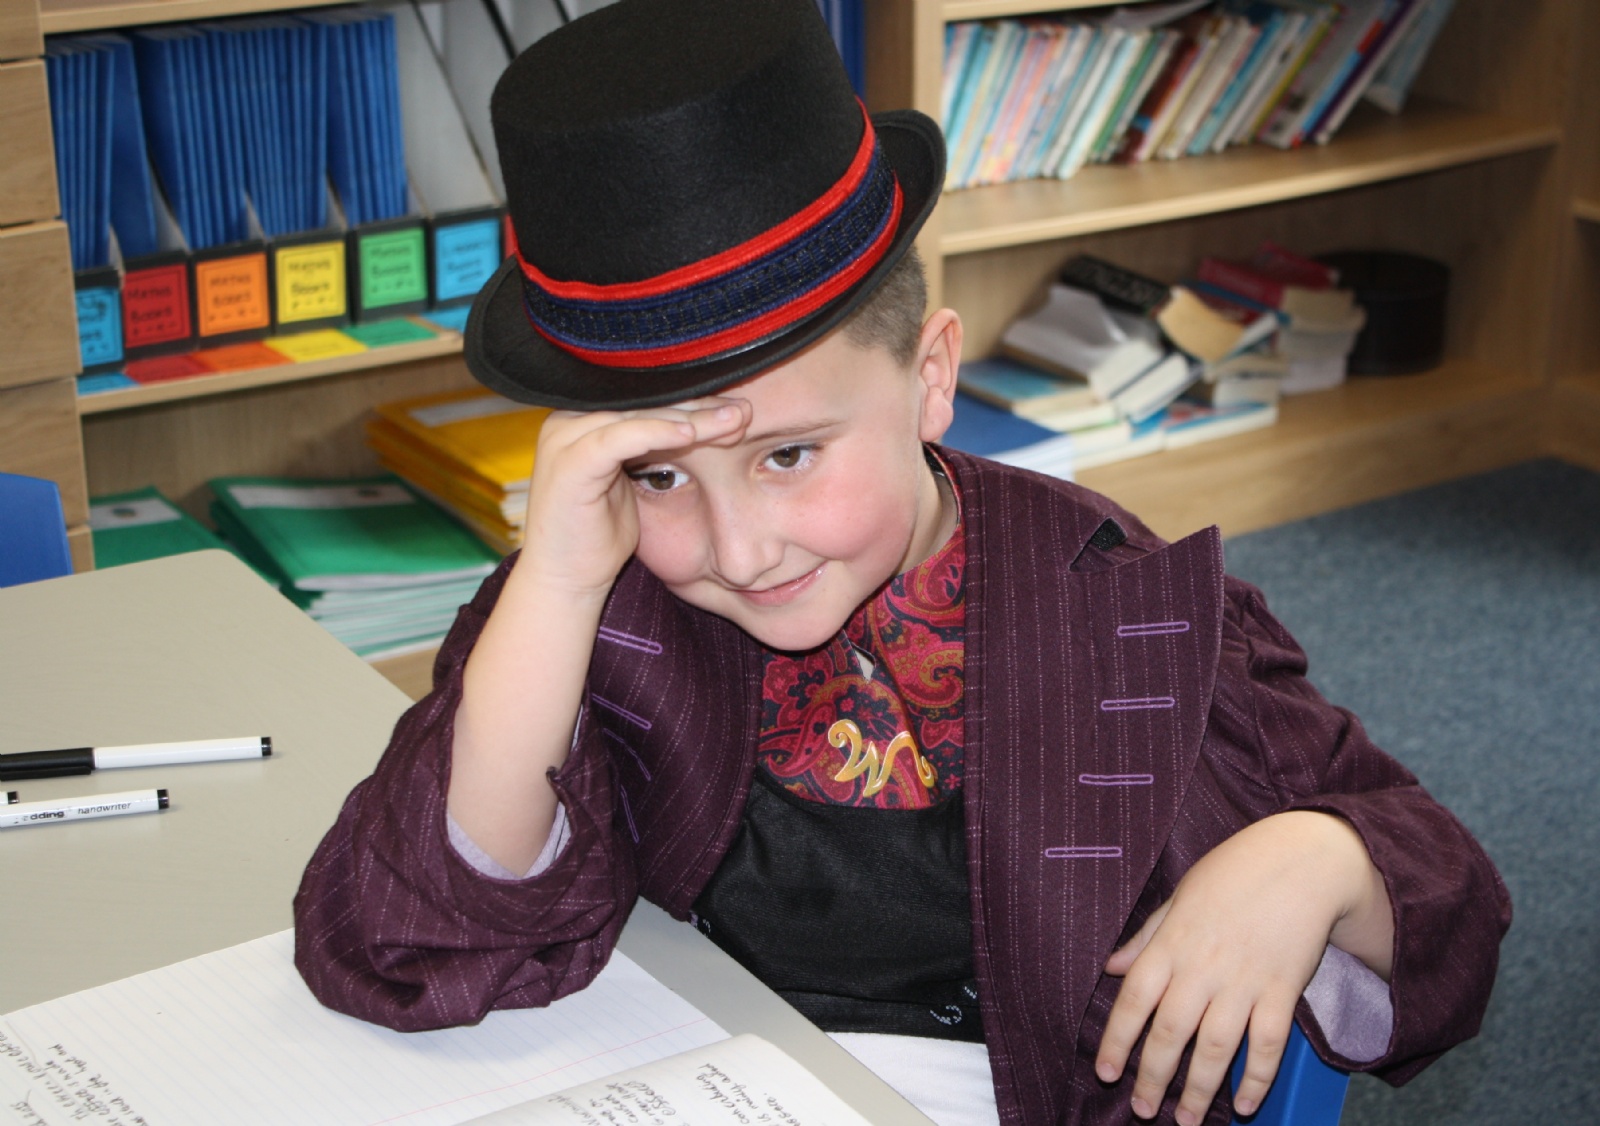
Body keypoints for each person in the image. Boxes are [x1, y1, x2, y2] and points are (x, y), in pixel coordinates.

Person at [293, 2, 1510, 1123]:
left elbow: (1449, 895)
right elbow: (414, 933)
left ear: (930, 377)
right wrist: (554, 584)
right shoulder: (605, 603)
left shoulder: (1127, 608)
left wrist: (1314, 858)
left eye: (787, 455)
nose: (738, 549)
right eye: (658, 474)